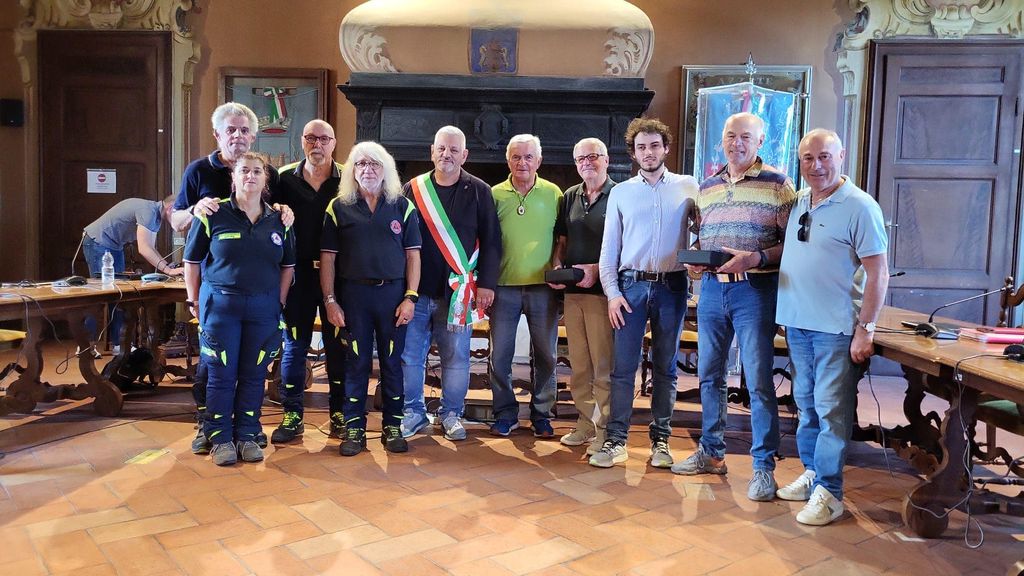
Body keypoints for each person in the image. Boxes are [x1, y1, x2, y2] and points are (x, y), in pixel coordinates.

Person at [672, 113, 797, 503]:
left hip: (755, 291)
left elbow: (793, 244)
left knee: (758, 381)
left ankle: (763, 468)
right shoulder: (707, 186)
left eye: (746, 137)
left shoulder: (778, 184)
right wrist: (696, 261)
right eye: (730, 136)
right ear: (721, 141)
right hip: (711, 291)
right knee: (709, 376)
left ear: (760, 142)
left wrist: (755, 258)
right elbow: (705, 237)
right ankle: (711, 453)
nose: (737, 143)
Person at [774, 129, 889, 525]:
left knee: (831, 412)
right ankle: (812, 474)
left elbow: (878, 273)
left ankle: (830, 492)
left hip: (836, 330)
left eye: (824, 156)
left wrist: (866, 328)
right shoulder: (800, 202)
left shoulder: (860, 206)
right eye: (808, 158)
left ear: (841, 156)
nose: (816, 165)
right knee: (806, 407)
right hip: (798, 325)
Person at [173, 102, 293, 455]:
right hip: (219, 302)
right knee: (215, 372)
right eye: (231, 130)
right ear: (218, 134)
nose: (237, 136)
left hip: (261, 304)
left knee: (253, 372)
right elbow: (180, 229)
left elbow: (286, 257)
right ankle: (213, 431)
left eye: (244, 130)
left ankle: (247, 431)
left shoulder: (275, 206)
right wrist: (195, 210)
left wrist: (278, 301)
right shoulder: (199, 174)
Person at [593, 118, 697, 468]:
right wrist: (612, 293)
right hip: (630, 288)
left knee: (666, 368)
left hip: (672, 286)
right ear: (634, 153)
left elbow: (704, 232)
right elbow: (609, 249)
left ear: (666, 148)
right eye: (641, 147)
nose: (648, 152)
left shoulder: (688, 186)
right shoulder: (621, 192)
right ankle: (616, 440)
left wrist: (698, 262)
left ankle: (661, 441)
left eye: (654, 145)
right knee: (623, 368)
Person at [320, 141, 422, 456]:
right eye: (361, 164)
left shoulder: (402, 206)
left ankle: (393, 427)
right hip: (353, 297)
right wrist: (330, 300)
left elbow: (413, 256)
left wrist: (410, 297)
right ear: (352, 170)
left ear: (386, 169)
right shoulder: (338, 207)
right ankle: (354, 428)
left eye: (374, 164)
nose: (368, 170)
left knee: (392, 363)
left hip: (393, 297)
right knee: (355, 363)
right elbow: (327, 259)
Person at [400, 126, 501, 441]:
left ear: (465, 155)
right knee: (410, 357)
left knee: (456, 358)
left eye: (454, 150)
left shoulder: (480, 190)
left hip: (458, 294)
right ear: (432, 151)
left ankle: (451, 414)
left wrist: (487, 284)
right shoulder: (412, 189)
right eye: (442, 148)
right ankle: (413, 413)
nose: (447, 154)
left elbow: (492, 241)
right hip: (415, 292)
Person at [269, 120, 349, 444]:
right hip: (297, 275)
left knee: (338, 347)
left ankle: (339, 414)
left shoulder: (349, 178)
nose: (318, 144)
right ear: (302, 141)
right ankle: (292, 415)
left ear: (334, 142)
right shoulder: (283, 178)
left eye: (324, 139)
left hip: (338, 276)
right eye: (311, 138)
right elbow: (267, 215)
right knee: (294, 346)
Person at [488, 134, 563, 438]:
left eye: (528, 157)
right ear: (508, 160)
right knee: (500, 356)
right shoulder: (494, 194)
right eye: (516, 157)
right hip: (502, 287)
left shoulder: (554, 193)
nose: (522, 163)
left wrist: (558, 264)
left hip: (543, 287)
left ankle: (542, 414)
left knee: (546, 355)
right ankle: (505, 414)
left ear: (539, 161)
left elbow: (562, 238)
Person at [551, 138, 615, 454]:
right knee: (578, 365)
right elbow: (562, 240)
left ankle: (605, 429)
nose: (587, 162)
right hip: (573, 293)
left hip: (604, 293)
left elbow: (625, 244)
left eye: (593, 156)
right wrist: (557, 266)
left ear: (606, 160)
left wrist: (597, 269)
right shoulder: (570, 196)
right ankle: (585, 423)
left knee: (603, 365)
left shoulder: (619, 195)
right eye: (581, 158)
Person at [81, 195, 183, 347]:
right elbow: (144, 248)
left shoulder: (155, 217)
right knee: (100, 297)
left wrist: (168, 267)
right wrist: (168, 270)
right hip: (97, 242)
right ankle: (85, 346)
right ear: (171, 208)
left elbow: (151, 248)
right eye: (182, 213)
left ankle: (119, 345)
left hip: (114, 246)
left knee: (119, 296)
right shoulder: (149, 211)